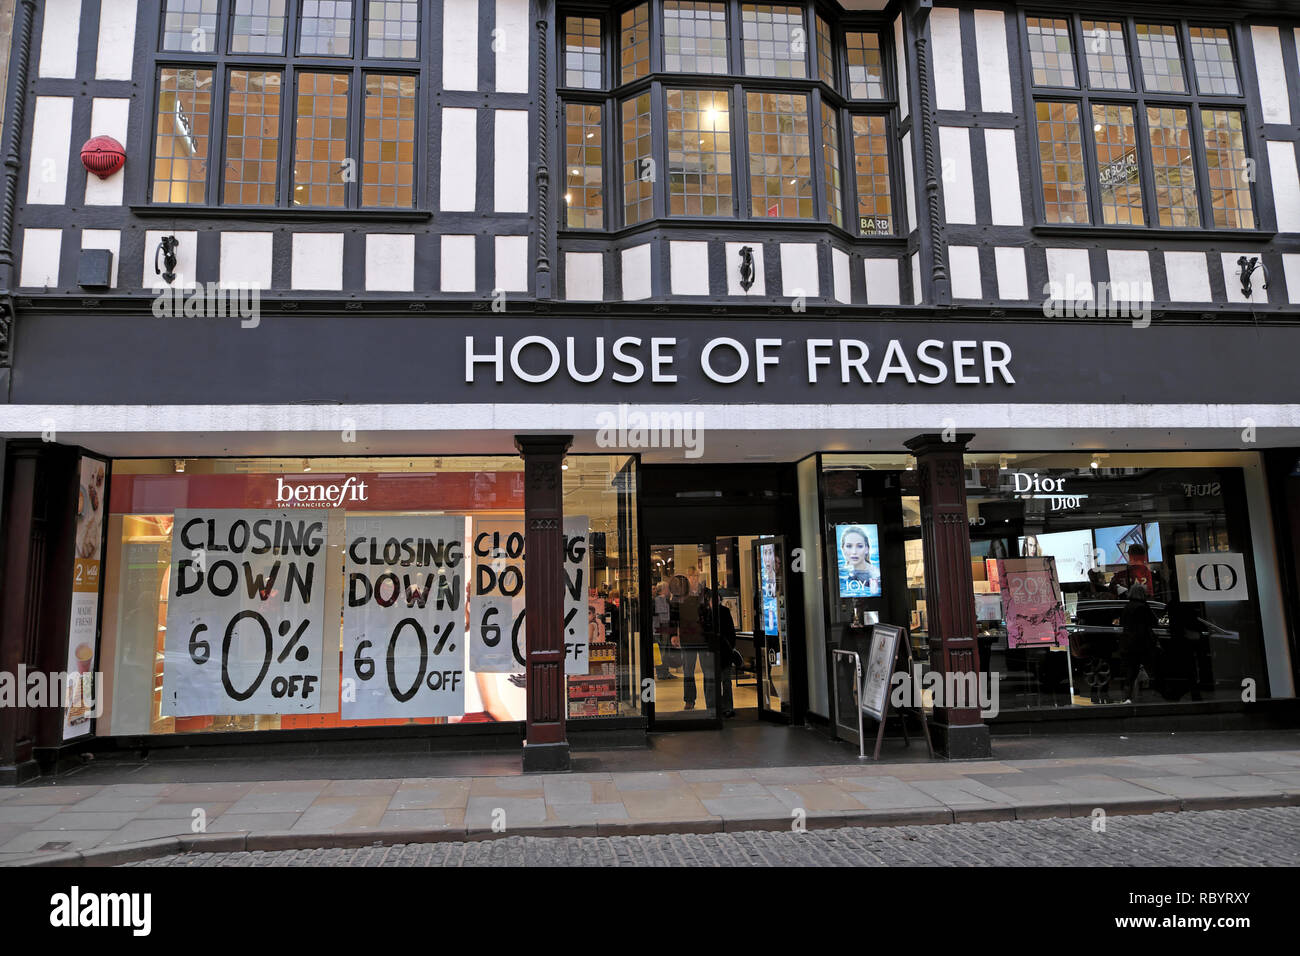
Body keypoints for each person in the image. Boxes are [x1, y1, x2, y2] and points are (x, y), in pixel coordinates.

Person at [1119, 583, 1157, 704]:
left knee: (1131, 671)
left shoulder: (1128, 606)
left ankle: (1127, 696)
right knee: (1152, 668)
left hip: (1129, 644)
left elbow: (1122, 623)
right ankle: (1157, 692)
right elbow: (1153, 622)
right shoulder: (1143, 607)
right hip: (1142, 643)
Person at [837, 526, 881, 597]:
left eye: (859, 546)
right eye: (849, 546)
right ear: (843, 549)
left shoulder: (874, 574)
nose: (854, 552)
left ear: (867, 549)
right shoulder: (841, 570)